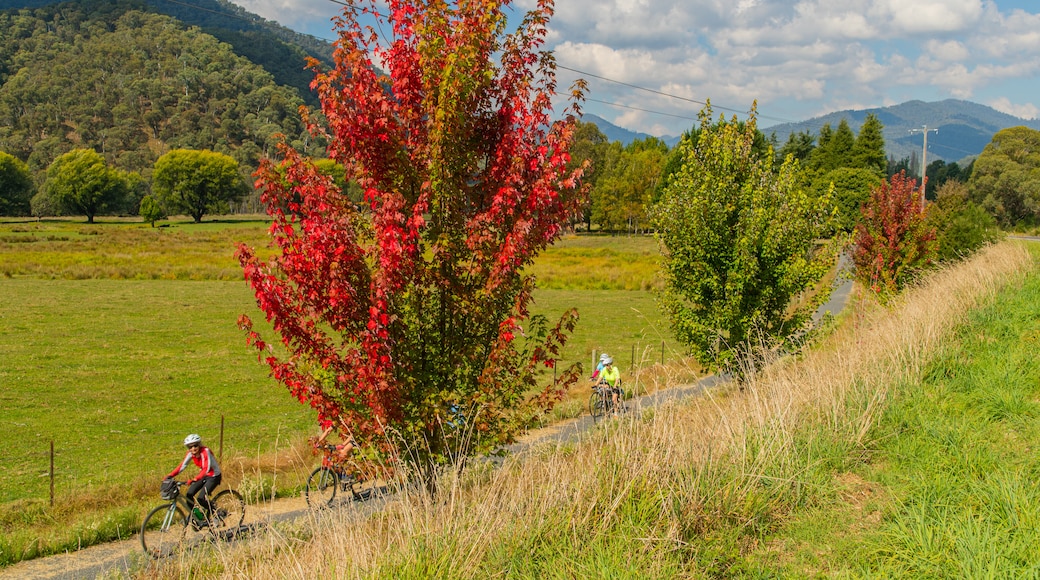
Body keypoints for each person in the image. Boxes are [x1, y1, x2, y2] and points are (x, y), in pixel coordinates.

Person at [165, 433, 221, 525]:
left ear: (199, 445)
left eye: (195, 445)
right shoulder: (190, 454)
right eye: (190, 447)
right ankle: (196, 516)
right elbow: (182, 466)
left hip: (213, 476)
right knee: (189, 494)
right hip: (203, 476)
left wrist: (195, 479)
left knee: (201, 498)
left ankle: (216, 514)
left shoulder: (205, 451)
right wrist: (170, 475)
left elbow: (206, 469)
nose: (193, 449)